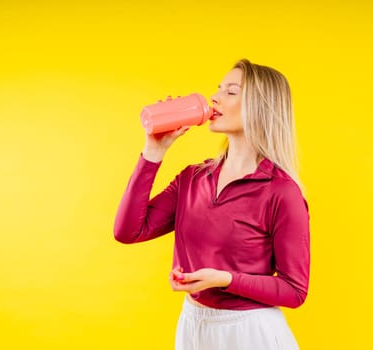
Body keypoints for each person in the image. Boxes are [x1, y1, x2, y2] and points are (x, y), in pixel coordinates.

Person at [113, 59, 310, 350]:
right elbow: (128, 231)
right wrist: (153, 152)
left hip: (251, 334)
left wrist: (225, 279)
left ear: (261, 106)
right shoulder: (192, 179)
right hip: (194, 326)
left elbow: (295, 291)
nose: (214, 98)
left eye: (231, 91)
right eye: (218, 88)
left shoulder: (281, 192)